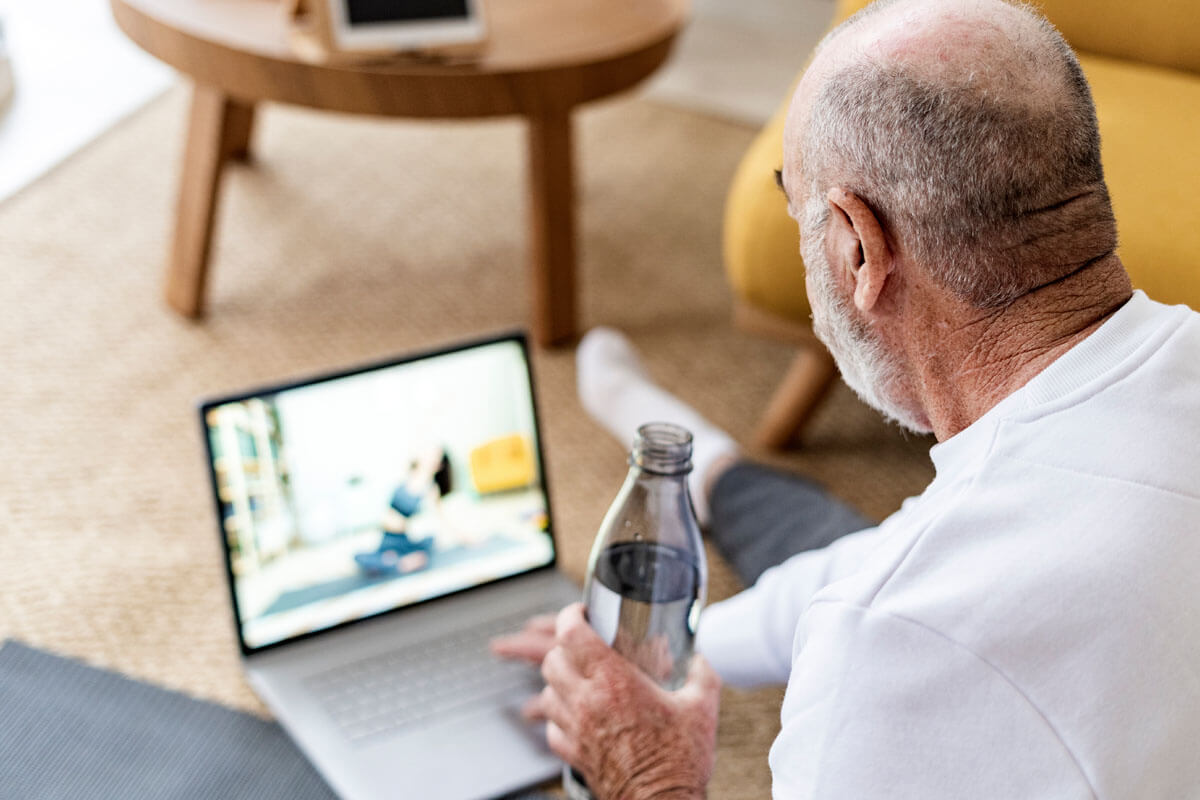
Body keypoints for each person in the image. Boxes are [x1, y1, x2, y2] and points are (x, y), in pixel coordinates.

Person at [492, 0, 1200, 796]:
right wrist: (666, 653)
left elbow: (888, 605)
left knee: (832, 547)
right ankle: (700, 461)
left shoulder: (885, 644)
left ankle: (697, 462)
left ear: (857, 247)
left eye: (795, 204)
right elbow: (885, 564)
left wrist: (648, 774)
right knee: (834, 541)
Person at [353, 445, 452, 576]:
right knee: (359, 558)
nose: (429, 457)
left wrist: (465, 537)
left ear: (439, 465)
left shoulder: (431, 488)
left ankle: (396, 562)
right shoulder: (409, 475)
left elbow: (443, 516)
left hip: (401, 538)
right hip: (386, 537)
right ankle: (397, 561)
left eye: (435, 457)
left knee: (430, 541)